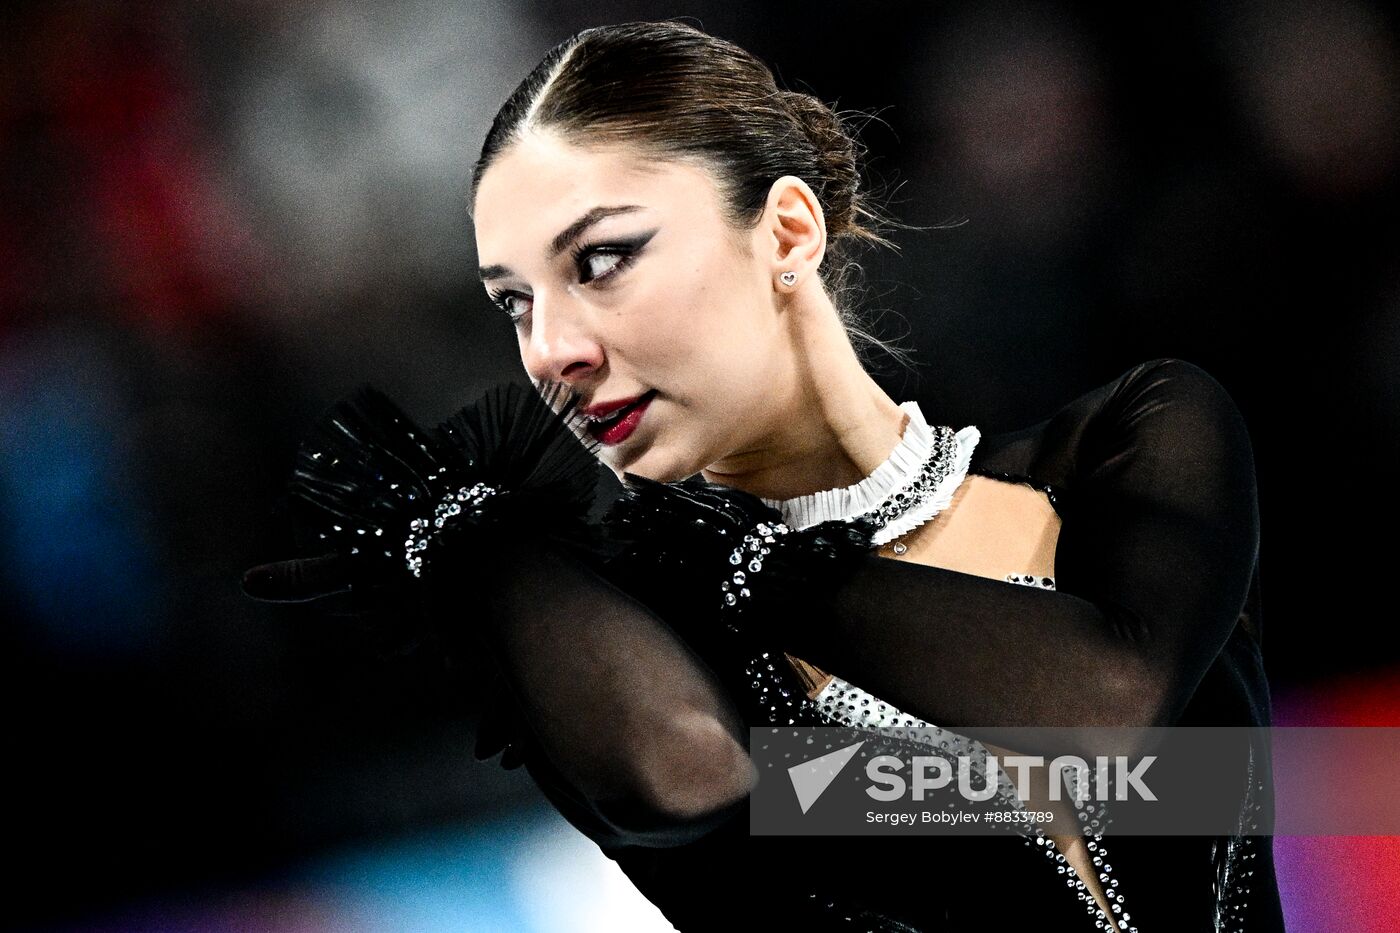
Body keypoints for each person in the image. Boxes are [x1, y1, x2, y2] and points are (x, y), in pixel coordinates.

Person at [243, 20, 1285, 932]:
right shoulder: (629, 646)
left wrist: (762, 573)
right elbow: (687, 776)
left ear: (784, 229)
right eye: (513, 302)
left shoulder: (1125, 446)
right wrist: (486, 555)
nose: (550, 346)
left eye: (598, 261)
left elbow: (1104, 701)